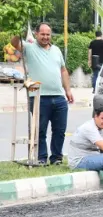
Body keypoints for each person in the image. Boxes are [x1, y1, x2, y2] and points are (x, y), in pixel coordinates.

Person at [10, 23, 74, 165]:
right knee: (40, 130)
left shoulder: (56, 50)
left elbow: (63, 70)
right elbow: (14, 43)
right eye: (42, 34)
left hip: (59, 97)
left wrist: (68, 90)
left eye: (48, 34)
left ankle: (56, 158)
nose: (45, 37)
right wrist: (18, 26)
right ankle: (41, 158)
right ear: (36, 34)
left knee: (59, 130)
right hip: (38, 96)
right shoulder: (29, 48)